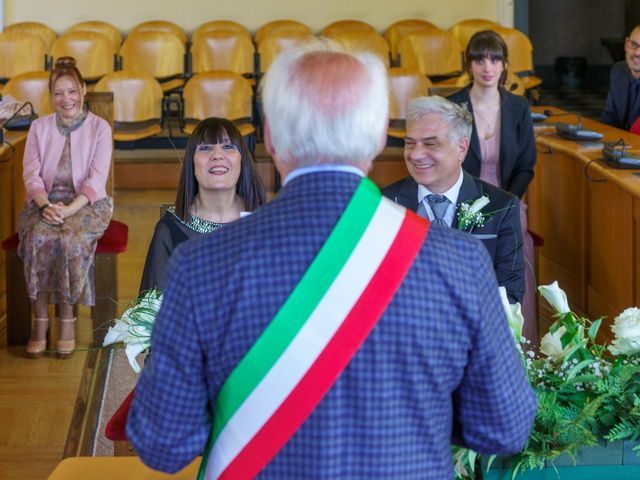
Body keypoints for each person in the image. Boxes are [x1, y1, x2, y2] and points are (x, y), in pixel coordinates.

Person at [127, 41, 536, 479]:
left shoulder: (201, 265)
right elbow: (505, 428)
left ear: (269, 137)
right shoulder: (459, 262)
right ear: (380, 135)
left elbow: (164, 444)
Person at [383, 96, 525, 304]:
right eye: (410, 144)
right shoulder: (385, 204)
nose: (415, 155)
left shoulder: (501, 207)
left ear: (462, 148)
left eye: (430, 144)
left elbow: (510, 295)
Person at [19, 56, 113, 359]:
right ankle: (40, 321)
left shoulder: (100, 128)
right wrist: (46, 205)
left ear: (83, 89)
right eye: (58, 93)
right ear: (51, 96)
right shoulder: (38, 128)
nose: (66, 99)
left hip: (87, 204)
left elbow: (97, 179)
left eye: (72, 91)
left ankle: (68, 320)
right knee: (37, 236)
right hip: (43, 203)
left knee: (69, 237)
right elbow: (31, 174)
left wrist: (69, 210)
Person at [448, 30, 538, 341]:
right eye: (480, 59)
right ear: (469, 65)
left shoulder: (518, 107)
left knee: (518, 246)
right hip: (459, 200)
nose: (488, 66)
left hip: (509, 199)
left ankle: (521, 347)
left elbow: (527, 165)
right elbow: (446, 162)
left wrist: (506, 203)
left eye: (495, 59)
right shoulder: (452, 106)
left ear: (504, 66)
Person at [138, 117, 266, 293]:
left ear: (242, 160)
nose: (217, 155)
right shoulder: (170, 230)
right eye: (206, 148)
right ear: (192, 163)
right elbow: (151, 313)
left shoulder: (265, 222)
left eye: (228, 147)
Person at [602, 24, 640, 133]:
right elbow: (609, 118)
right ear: (626, 44)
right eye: (633, 45)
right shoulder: (618, 71)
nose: (637, 53)